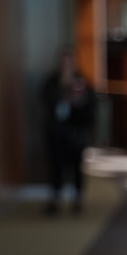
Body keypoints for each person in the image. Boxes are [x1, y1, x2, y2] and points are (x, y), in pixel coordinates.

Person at [42, 48, 97, 216]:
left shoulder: (82, 82)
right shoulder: (52, 82)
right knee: (56, 166)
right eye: (63, 62)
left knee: (76, 167)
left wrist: (78, 102)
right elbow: (46, 102)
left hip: (76, 132)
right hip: (56, 132)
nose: (66, 66)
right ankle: (55, 199)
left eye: (69, 62)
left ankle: (77, 198)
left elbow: (90, 108)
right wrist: (63, 93)